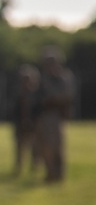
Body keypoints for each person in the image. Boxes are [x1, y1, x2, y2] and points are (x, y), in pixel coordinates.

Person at [35, 46, 74, 182]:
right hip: (43, 116)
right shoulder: (42, 78)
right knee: (44, 146)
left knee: (56, 146)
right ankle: (50, 172)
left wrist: (51, 97)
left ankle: (58, 174)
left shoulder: (63, 78)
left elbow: (65, 96)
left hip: (55, 116)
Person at [10, 63, 40, 177]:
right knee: (19, 147)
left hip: (34, 125)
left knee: (35, 147)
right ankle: (19, 167)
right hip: (20, 124)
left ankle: (35, 167)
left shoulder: (37, 94)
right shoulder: (17, 94)